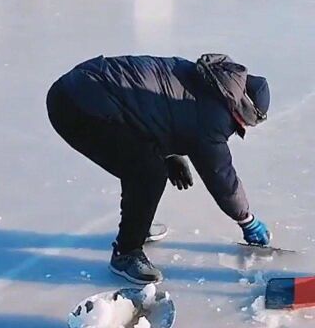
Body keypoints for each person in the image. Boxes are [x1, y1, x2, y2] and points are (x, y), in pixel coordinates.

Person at [46, 53, 272, 284]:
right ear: (241, 108)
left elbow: (154, 109)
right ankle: (126, 253)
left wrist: (168, 154)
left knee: (147, 163)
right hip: (78, 108)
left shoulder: (208, 78)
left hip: (80, 87)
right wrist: (247, 220)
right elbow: (220, 176)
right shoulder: (215, 116)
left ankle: (138, 224)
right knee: (147, 173)